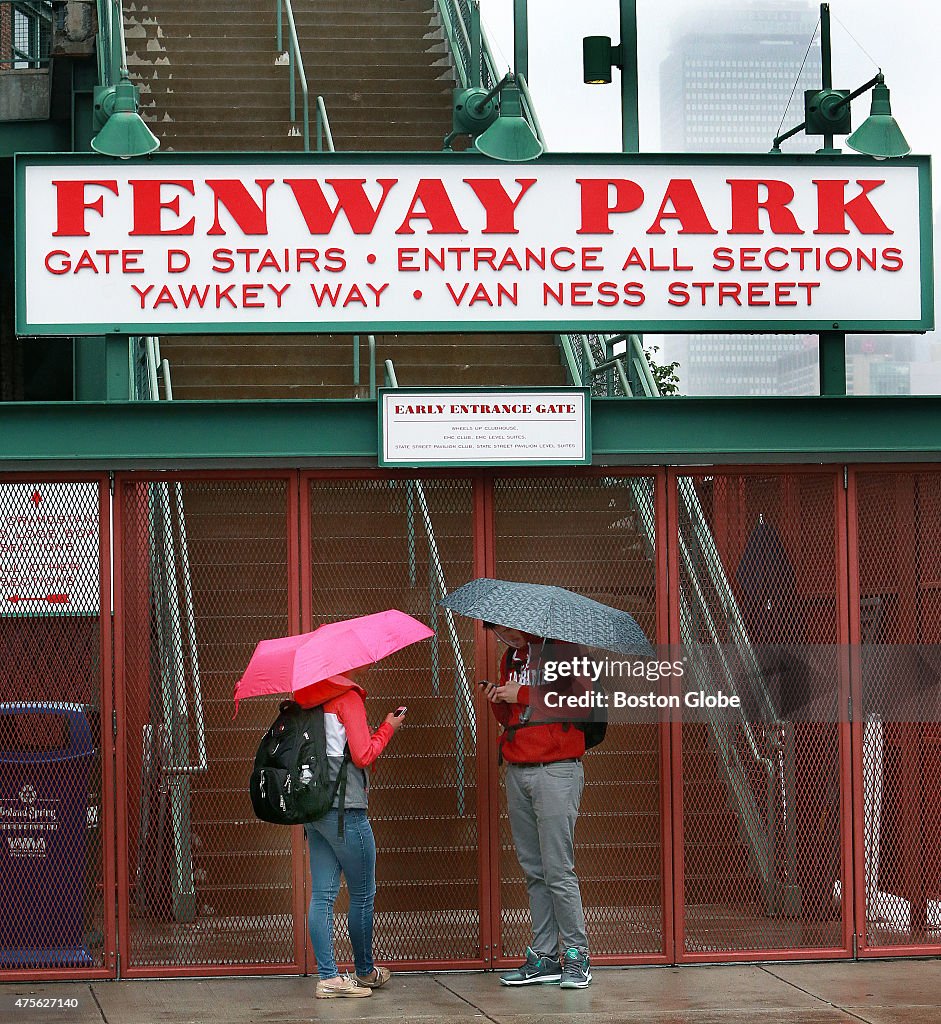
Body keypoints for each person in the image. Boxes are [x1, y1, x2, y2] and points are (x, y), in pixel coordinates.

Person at [481, 622, 592, 989]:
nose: (504, 639)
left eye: (508, 632)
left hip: (556, 769)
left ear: (525, 624)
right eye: (499, 634)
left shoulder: (564, 651)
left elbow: (580, 702)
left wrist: (524, 693)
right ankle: (545, 957)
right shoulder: (511, 659)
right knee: (534, 869)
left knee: (558, 869)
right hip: (519, 768)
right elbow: (512, 719)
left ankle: (577, 955)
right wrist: (500, 699)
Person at [298, 665, 405, 999]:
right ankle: (364, 971)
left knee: (323, 895)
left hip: (313, 809)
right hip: (346, 810)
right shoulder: (347, 698)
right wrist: (389, 726)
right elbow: (363, 754)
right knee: (362, 893)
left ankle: (328, 978)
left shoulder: (304, 698)